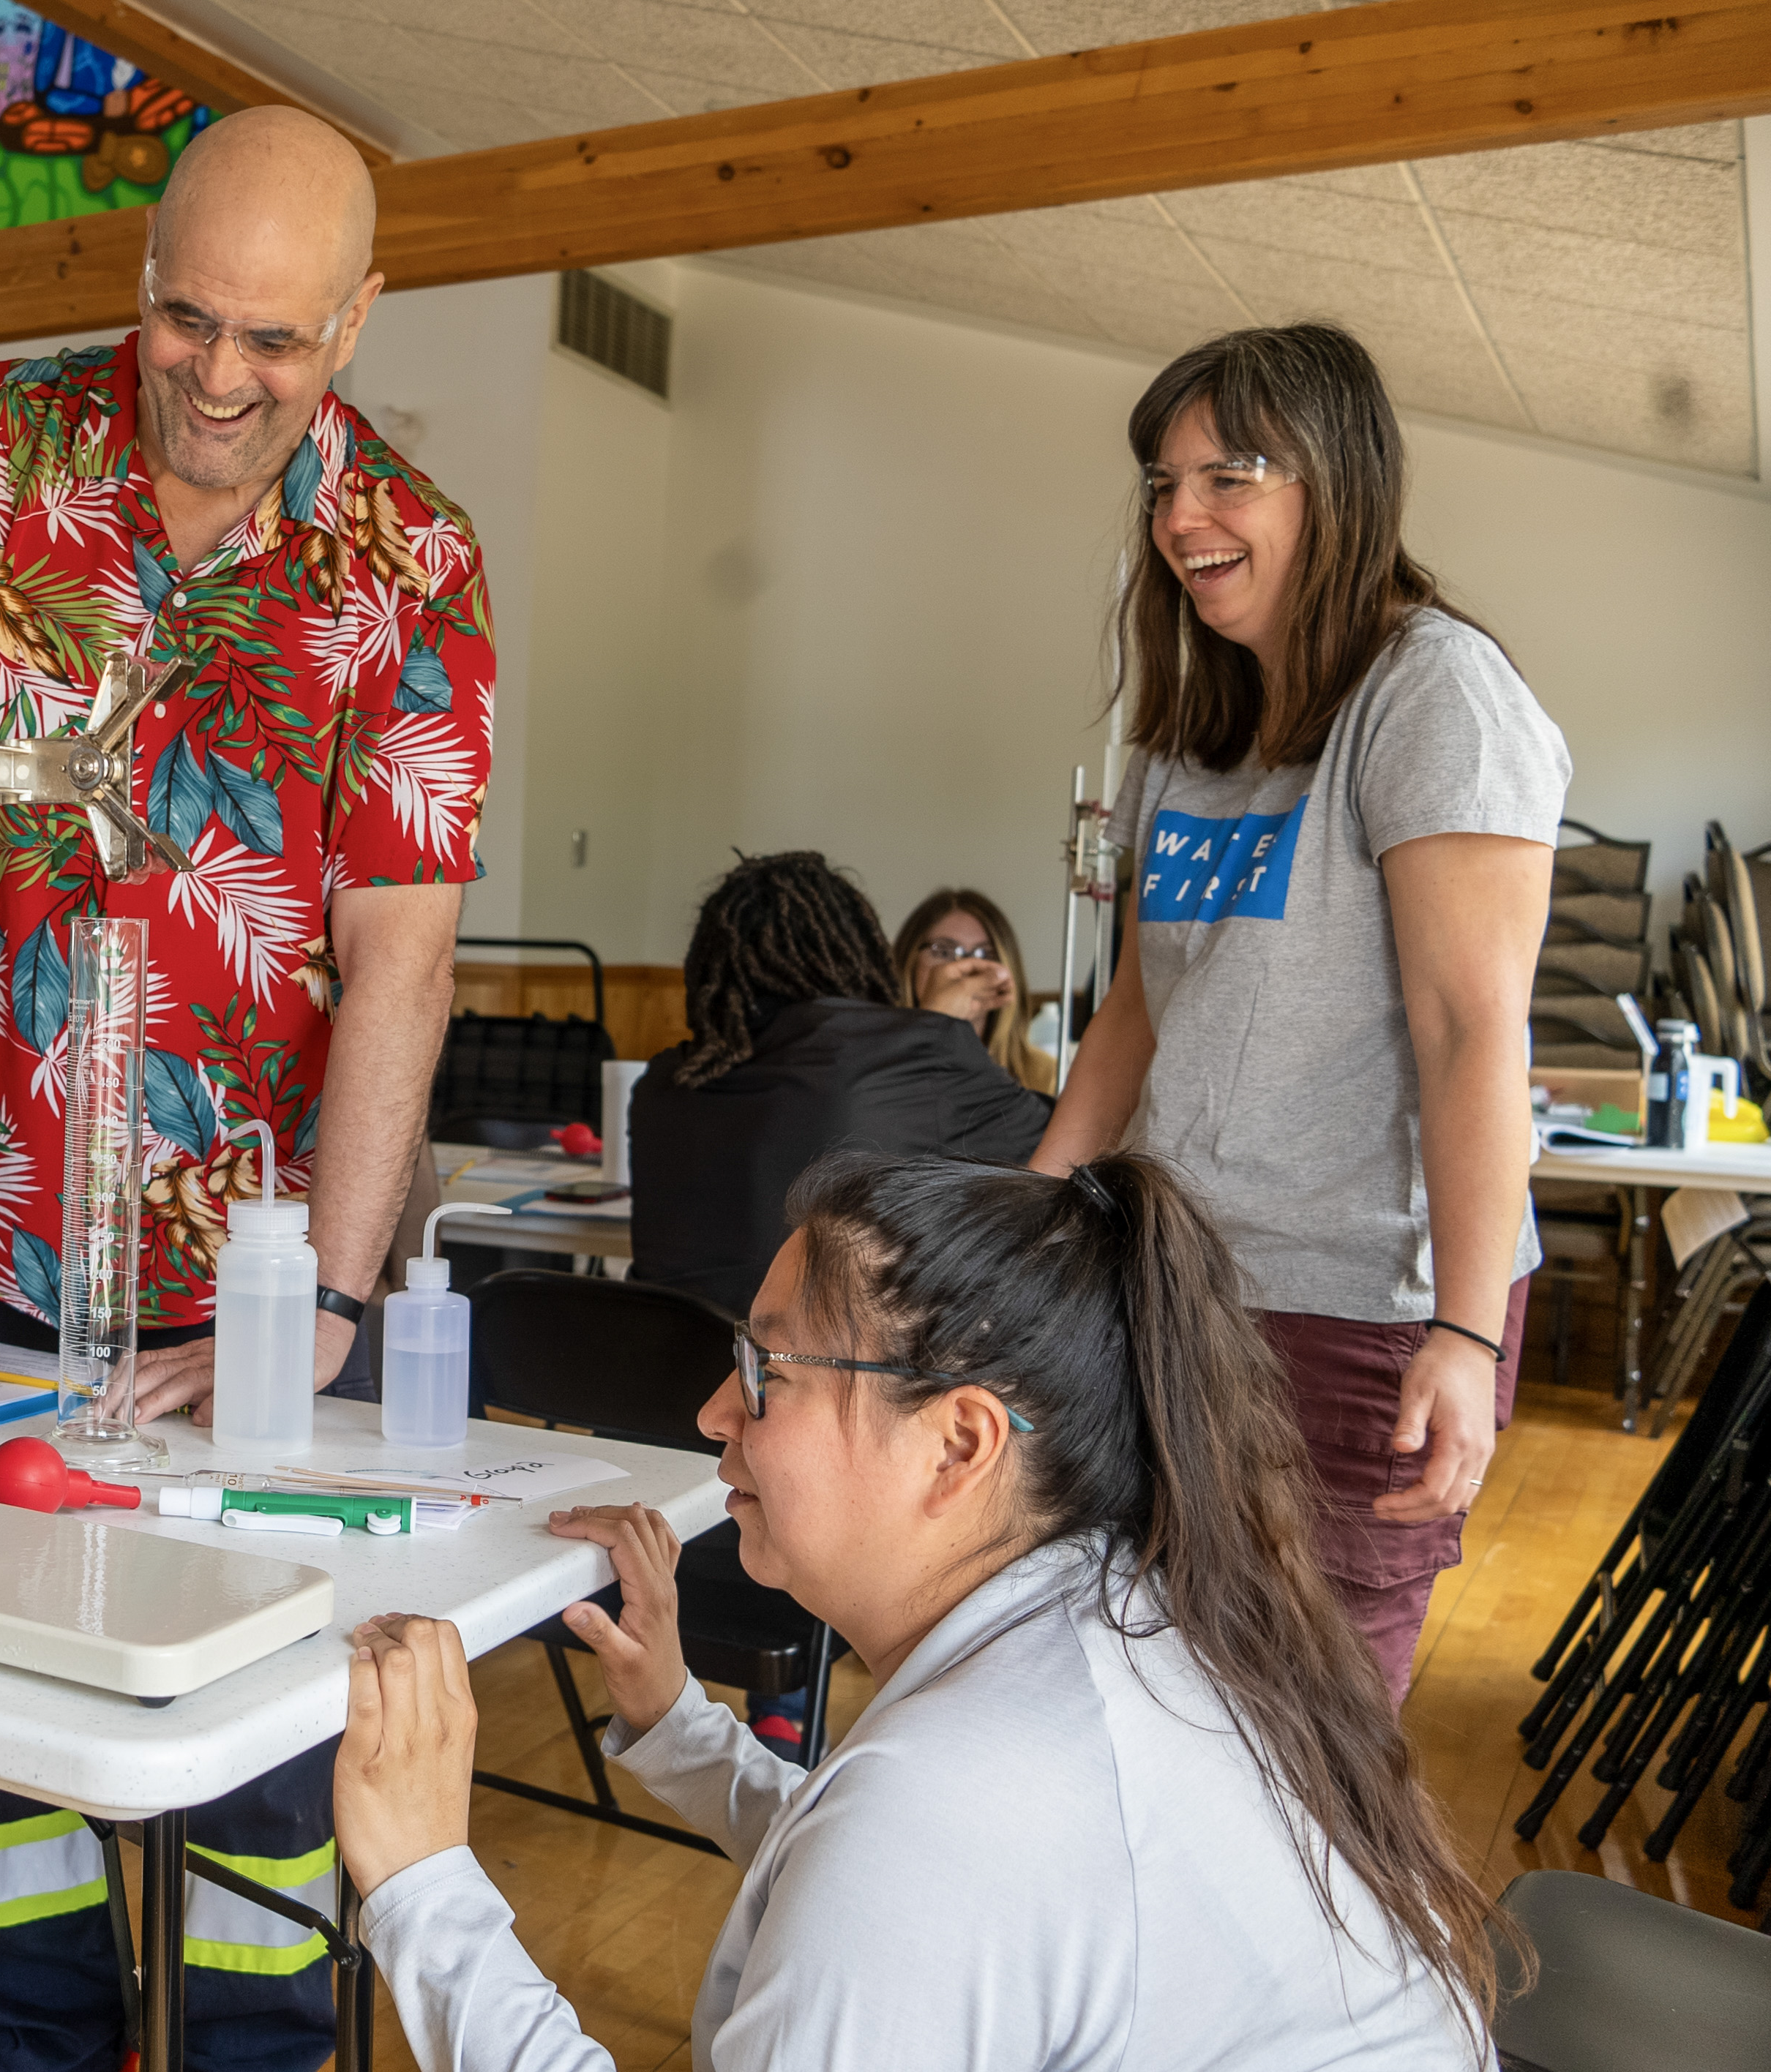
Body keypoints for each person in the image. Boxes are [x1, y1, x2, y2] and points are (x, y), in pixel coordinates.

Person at [0, 103, 493, 2072]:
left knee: (253, 1817)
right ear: (137, 275)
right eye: (187, 319)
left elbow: (401, 950)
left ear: (361, 316)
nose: (222, 377)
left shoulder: (411, 562)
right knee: (8, 1792)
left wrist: (323, 1298)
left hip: (243, 1310)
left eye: (280, 339)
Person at [333, 1150, 1510, 2071]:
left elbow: (907, 1863)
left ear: (957, 1445)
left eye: (766, 1376)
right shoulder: (1122, 1612)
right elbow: (900, 1888)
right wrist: (681, 1724)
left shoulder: (955, 1798)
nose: (710, 1414)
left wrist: (425, 1882)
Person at [1030, 322, 1568, 1703]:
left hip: (1359, 1314)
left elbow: (1470, 1031)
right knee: (1157, 1694)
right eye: (1163, 483)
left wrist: (1464, 1330)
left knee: (1311, 1744)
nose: (1181, 518)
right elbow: (1134, 1017)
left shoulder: (1435, 694)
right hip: (1178, 1283)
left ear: (1334, 481)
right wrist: (1023, 1224)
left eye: (1229, 477)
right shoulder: (1192, 731)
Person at [629, 852, 1052, 1317]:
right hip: (821, 1374)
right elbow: (1068, 1144)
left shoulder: (660, 1084)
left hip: (672, 1375)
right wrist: (932, 1029)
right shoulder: (905, 1053)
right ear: (862, 954)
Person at [891, 886, 1054, 1092]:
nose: (965, 967)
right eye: (944, 951)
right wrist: (935, 1023)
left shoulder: (1043, 1074)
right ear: (910, 961)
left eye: (985, 954)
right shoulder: (878, 1064)